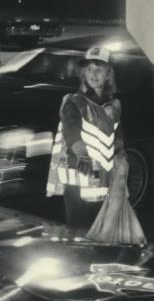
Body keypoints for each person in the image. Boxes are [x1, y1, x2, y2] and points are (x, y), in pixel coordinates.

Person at [46, 46, 124, 234]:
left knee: (100, 230)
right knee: (79, 230)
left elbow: (117, 136)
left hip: (102, 178)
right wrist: (82, 153)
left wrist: (121, 159)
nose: (93, 74)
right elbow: (71, 130)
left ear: (108, 74)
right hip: (78, 175)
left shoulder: (113, 105)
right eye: (89, 69)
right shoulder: (74, 102)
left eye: (98, 69)